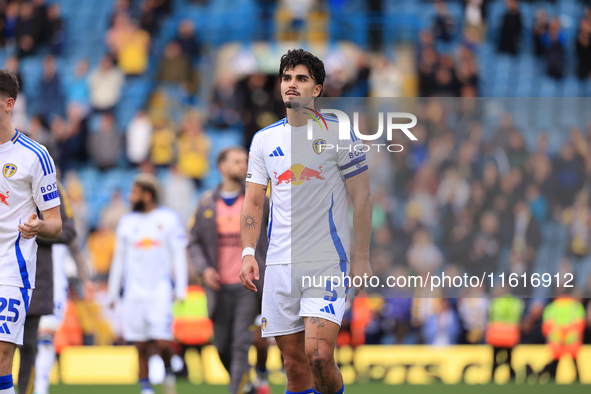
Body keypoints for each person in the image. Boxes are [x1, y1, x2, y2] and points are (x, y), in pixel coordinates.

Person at [239, 49, 373, 394]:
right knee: (294, 365)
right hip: (280, 264)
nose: (292, 85)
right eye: (287, 78)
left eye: (301, 79)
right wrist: (247, 252)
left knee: (318, 355)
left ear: (318, 89)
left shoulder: (339, 132)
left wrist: (362, 258)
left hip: (326, 262)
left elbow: (362, 196)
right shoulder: (264, 140)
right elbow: (254, 200)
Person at [0, 69, 62, 394]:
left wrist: (39, 225)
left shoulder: (35, 156)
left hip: (11, 268)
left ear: (9, 104)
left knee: (1, 356)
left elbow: (56, 223)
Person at [188, 146, 270, 394]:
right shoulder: (205, 204)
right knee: (221, 346)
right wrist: (204, 269)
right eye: (236, 162)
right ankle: (250, 386)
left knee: (240, 344)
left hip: (248, 285)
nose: (243, 166)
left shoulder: (259, 202)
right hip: (217, 286)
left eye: (244, 161)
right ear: (222, 167)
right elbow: (193, 241)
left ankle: (236, 390)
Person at [107, 174, 188, 394]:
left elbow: (178, 255)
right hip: (133, 292)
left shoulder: (169, 219)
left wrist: (180, 288)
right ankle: (146, 388)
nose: (129, 197)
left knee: (162, 342)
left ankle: (169, 369)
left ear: (148, 194)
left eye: (134, 192)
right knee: (140, 343)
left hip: (160, 290)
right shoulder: (127, 222)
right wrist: (113, 293)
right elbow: (119, 259)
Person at [18, 178, 77, 394]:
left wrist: (35, 231)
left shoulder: (50, 185)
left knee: (29, 345)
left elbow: (69, 230)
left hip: (35, 277)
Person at [32, 183, 92, 394]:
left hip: (52, 281)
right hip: (20, 277)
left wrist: (85, 278)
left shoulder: (56, 193)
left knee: (45, 337)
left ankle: (41, 387)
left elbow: (72, 240)